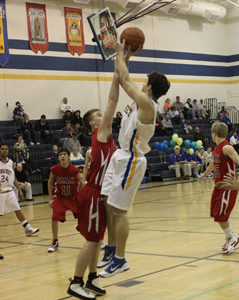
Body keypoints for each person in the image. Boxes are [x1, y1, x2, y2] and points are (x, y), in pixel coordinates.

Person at [98, 39, 170, 278]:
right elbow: (124, 76)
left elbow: (126, 80)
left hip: (132, 159)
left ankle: (121, 258)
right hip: (120, 154)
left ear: (149, 87)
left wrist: (121, 53)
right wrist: (125, 56)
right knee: (108, 203)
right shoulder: (142, 98)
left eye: (146, 81)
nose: (143, 82)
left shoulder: (147, 104)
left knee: (119, 210)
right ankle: (110, 249)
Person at [67, 58, 120, 300]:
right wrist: (118, 72)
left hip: (101, 192)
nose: (104, 114)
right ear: (92, 123)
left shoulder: (106, 138)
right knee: (92, 239)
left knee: (97, 238)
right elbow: (112, 100)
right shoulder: (101, 133)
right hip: (93, 192)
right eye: (99, 115)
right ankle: (75, 283)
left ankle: (92, 277)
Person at [199, 122, 239, 254]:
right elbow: (213, 163)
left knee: (221, 215)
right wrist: (204, 175)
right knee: (216, 214)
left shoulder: (227, 147)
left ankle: (232, 237)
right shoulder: (217, 148)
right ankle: (231, 236)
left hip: (228, 186)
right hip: (218, 187)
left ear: (214, 133)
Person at [0, 144, 39, 259]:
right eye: (2, 149)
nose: (5, 151)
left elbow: (13, 178)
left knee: (17, 208)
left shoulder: (11, 163)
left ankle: (27, 228)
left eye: (6, 149)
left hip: (9, 189)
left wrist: (19, 190)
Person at [48, 148, 83, 253]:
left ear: (68, 157)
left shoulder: (74, 170)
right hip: (60, 198)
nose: (62, 156)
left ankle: (94, 239)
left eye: (64, 154)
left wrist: (81, 194)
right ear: (58, 157)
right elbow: (50, 183)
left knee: (84, 217)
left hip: (73, 198)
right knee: (54, 218)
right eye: (60, 155)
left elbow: (82, 182)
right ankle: (55, 241)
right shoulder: (54, 169)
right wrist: (50, 198)